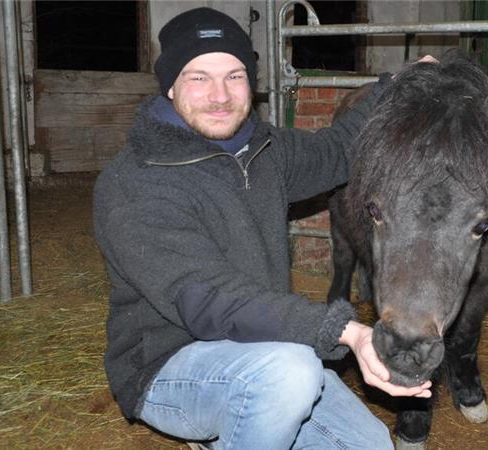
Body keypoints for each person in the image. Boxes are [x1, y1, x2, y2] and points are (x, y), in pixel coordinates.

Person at [93, 6, 433, 450]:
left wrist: (398, 89)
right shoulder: (135, 181)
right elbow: (205, 300)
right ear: (171, 85)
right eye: (199, 77)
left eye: (234, 76)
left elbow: (338, 149)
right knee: (291, 372)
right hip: (169, 364)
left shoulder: (263, 149)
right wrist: (345, 331)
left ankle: (242, 420)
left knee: (372, 446)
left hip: (260, 345)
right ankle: (230, 420)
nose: (220, 95)